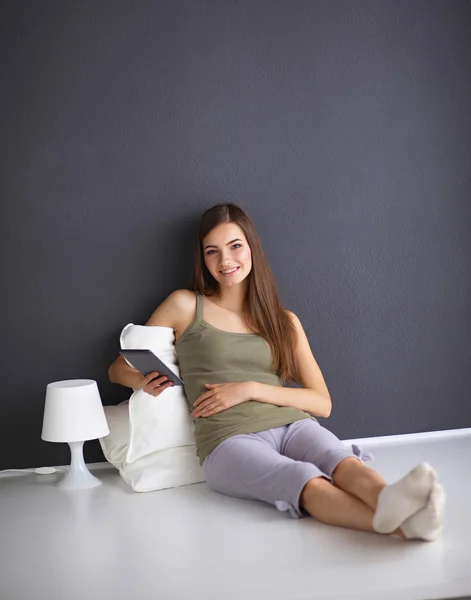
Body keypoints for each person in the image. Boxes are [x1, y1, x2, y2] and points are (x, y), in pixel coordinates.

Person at [109, 202, 445, 541]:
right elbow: (118, 368)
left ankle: (392, 499)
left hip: (291, 424)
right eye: (212, 251)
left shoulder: (284, 321)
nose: (225, 261)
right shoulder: (185, 305)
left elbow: (321, 403)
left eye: (235, 246)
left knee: (338, 459)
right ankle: (405, 524)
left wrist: (249, 388)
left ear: (252, 247)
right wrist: (141, 380)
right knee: (300, 477)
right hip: (227, 440)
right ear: (203, 258)